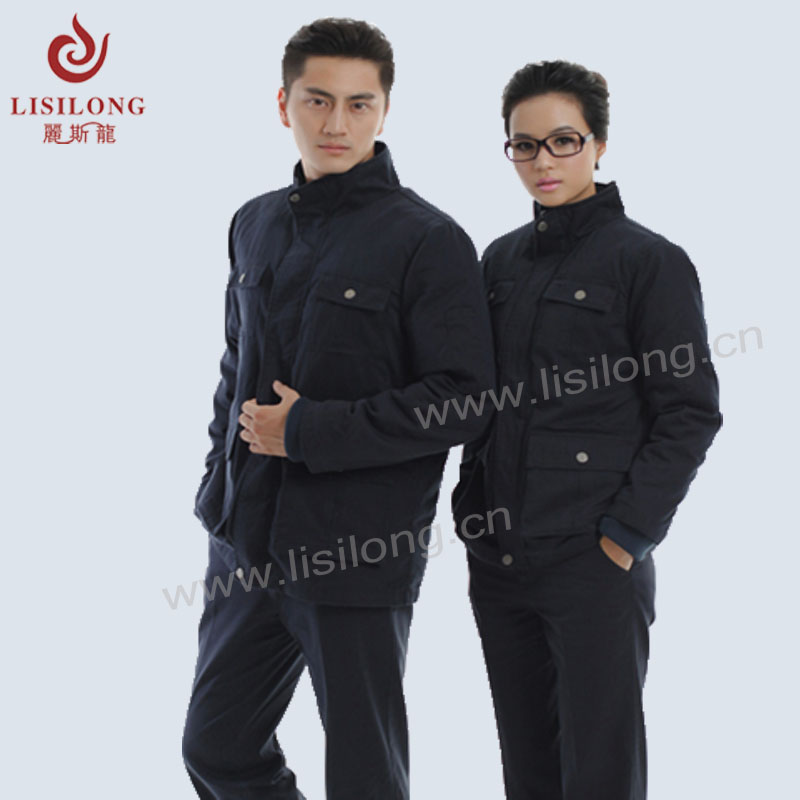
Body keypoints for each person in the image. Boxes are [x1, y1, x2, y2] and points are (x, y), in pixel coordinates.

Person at [182, 18, 495, 800]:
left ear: (385, 111)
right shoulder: (254, 222)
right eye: (317, 100)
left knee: (364, 774)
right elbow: (234, 367)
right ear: (282, 103)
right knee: (216, 745)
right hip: (245, 542)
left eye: (360, 104)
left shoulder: (429, 240)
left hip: (354, 552)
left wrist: (309, 431)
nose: (336, 123)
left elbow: (465, 400)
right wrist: (219, 484)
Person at [451, 60, 722, 799]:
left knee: (600, 772)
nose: (543, 161)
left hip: (592, 561)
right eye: (524, 145)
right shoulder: (498, 260)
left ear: (599, 144)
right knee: (528, 768)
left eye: (563, 141)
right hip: (498, 558)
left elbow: (690, 410)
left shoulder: (649, 262)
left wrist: (626, 536)